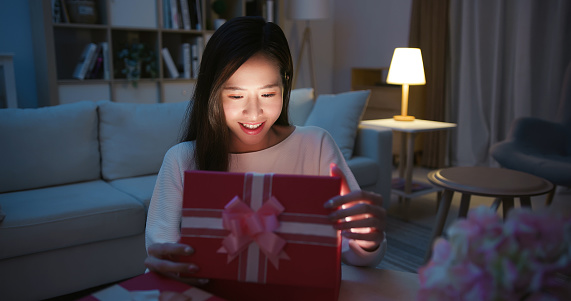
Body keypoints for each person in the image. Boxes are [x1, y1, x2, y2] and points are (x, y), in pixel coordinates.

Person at [145, 16, 387, 284]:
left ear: (285, 85)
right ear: (212, 92)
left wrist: (368, 242)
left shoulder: (316, 146)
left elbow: (356, 255)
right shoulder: (182, 160)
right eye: (236, 96)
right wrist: (166, 266)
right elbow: (160, 261)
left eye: (268, 95)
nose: (253, 113)